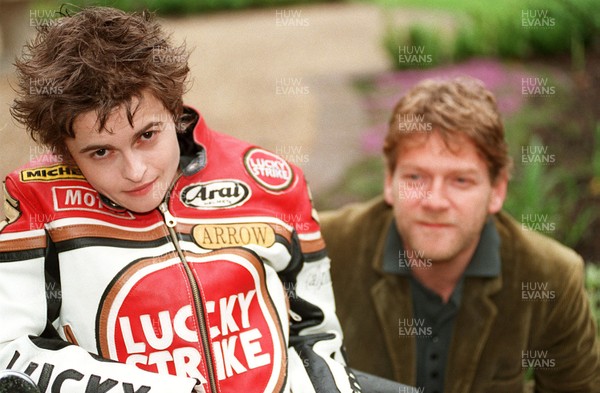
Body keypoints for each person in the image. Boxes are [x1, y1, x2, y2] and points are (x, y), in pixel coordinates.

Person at [0, 7, 363, 392]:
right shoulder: (39, 206)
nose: (136, 171)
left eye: (147, 135)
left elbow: (316, 335)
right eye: (101, 152)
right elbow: (6, 352)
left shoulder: (273, 181)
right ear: (67, 152)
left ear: (174, 109)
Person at [320, 76, 600, 392]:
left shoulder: (551, 277)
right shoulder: (322, 250)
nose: (435, 201)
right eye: (415, 176)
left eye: (461, 181)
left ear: (497, 190)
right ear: (389, 181)